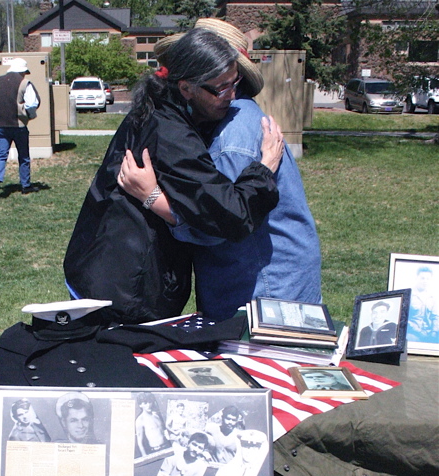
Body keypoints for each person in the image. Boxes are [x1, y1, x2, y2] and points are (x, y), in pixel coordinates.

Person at [63, 28, 284, 324]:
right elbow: (232, 214)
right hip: (126, 292)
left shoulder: (158, 107)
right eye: (220, 88)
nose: (232, 96)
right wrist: (265, 167)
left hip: (103, 270)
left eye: (235, 83)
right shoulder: (171, 134)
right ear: (186, 88)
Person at [119, 18, 321, 322]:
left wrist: (154, 198)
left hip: (263, 291)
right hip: (265, 283)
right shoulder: (226, 122)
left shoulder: (231, 138)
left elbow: (219, 225)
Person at [0, 57, 40, 200]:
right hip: (18, 125)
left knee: (1, 155)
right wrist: (30, 116)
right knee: (24, 156)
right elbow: (32, 103)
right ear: (22, 71)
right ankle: (25, 186)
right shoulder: (25, 83)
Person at [407, 265, 439, 342]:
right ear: (416, 278)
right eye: (422, 278)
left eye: (428, 279)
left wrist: (434, 332)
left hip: (429, 333)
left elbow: (435, 317)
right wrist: (418, 331)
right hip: (413, 333)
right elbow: (404, 318)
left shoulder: (432, 297)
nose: (425, 281)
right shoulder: (409, 294)